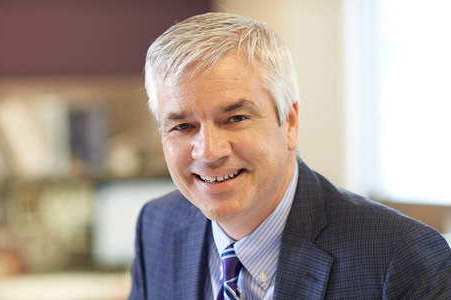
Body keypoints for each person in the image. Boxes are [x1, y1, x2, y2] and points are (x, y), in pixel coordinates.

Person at [129, 12, 451, 300]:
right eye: (183, 126)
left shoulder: (402, 257)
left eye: (236, 118)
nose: (209, 151)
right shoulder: (157, 226)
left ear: (290, 123)